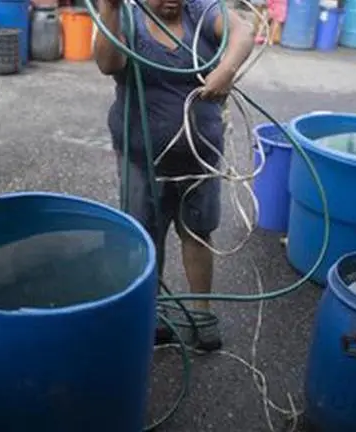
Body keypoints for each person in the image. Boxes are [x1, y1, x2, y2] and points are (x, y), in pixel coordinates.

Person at [94, 0, 254, 351]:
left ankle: (201, 314)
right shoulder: (127, 19)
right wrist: (109, 10)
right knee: (147, 238)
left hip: (200, 158)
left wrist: (225, 70)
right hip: (142, 159)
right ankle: (153, 312)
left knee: (198, 234)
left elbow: (244, 31)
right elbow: (108, 63)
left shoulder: (200, 11)